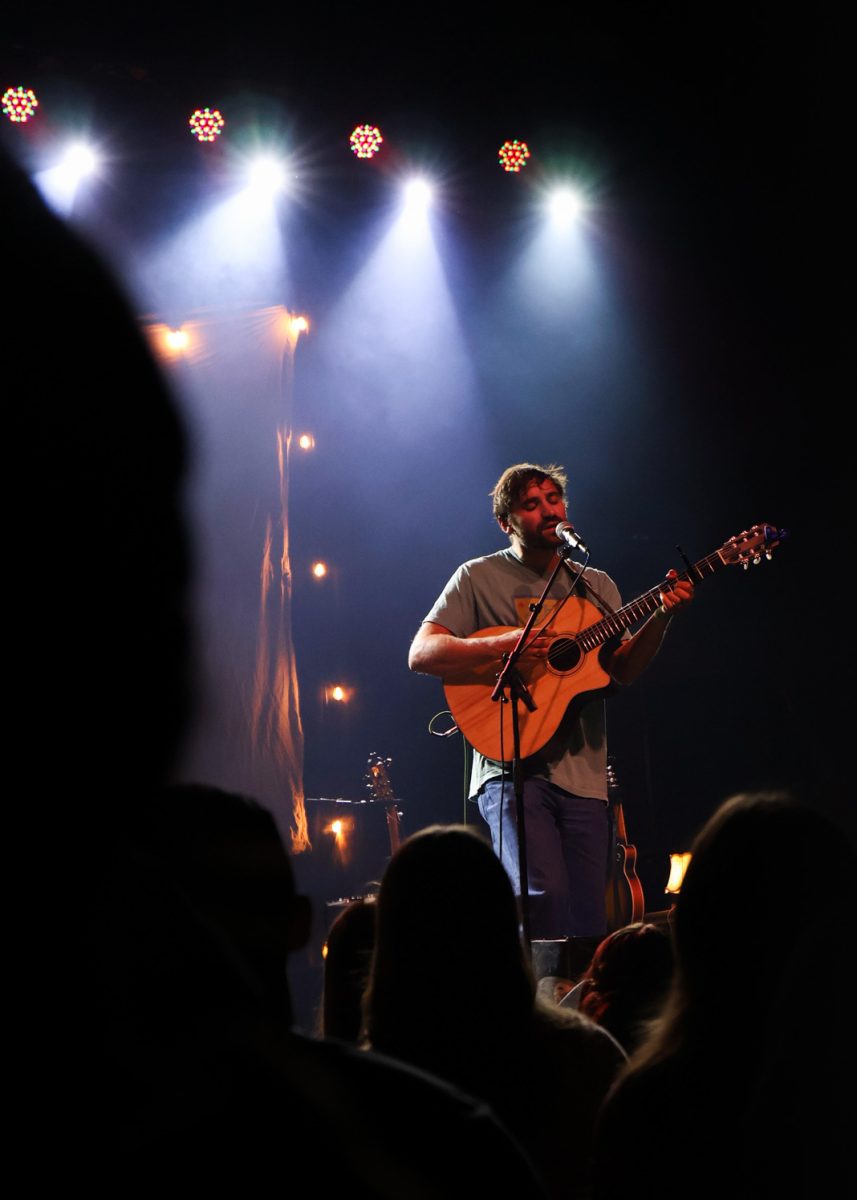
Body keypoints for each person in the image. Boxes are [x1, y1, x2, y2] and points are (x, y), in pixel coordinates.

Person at [408, 463, 692, 938]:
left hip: (584, 776)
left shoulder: (596, 585)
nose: (548, 510)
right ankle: (535, 988)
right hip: (510, 769)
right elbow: (421, 653)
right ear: (506, 522)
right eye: (531, 504)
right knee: (544, 900)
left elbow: (622, 669)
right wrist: (504, 643)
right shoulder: (476, 576)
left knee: (589, 918)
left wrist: (662, 614)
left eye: (553, 500)